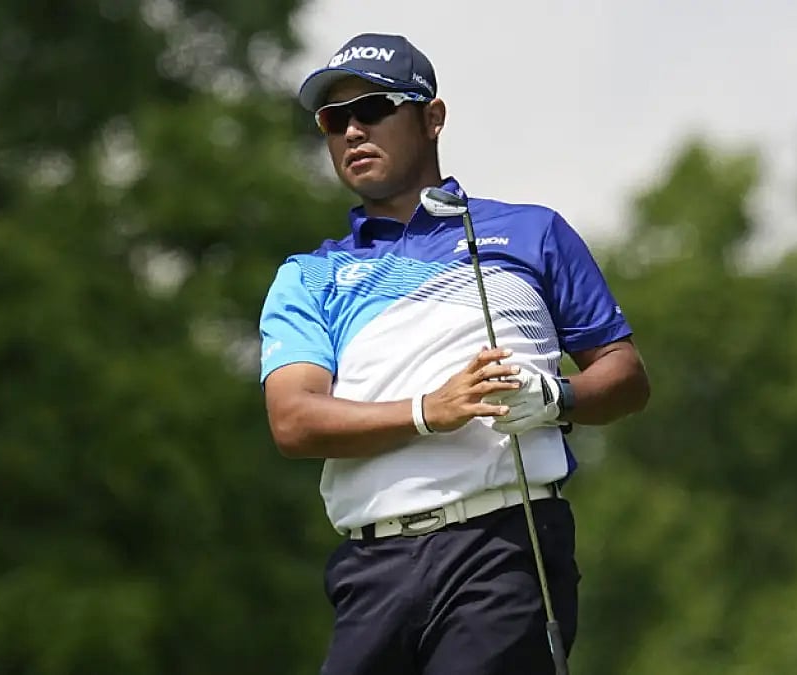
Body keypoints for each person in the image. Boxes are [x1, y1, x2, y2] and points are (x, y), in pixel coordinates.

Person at [258, 32, 650, 675]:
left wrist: (558, 400)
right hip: (370, 570)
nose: (352, 131)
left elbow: (626, 374)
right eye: (335, 119)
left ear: (432, 117)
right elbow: (294, 421)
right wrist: (427, 411)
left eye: (374, 109)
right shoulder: (310, 275)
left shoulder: (531, 233)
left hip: (503, 550)